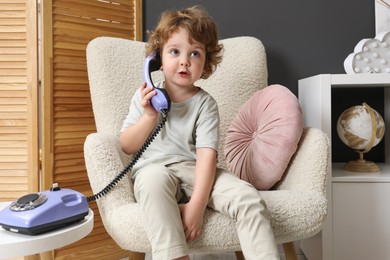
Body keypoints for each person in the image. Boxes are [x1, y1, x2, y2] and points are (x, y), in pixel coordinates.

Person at [120, 5, 279, 260]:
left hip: (192, 170)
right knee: (152, 182)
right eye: (174, 51)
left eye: (195, 53)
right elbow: (126, 145)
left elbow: (207, 157)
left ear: (205, 63)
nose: (185, 61)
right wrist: (149, 116)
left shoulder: (205, 104)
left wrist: (196, 206)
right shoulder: (145, 98)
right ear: (158, 59)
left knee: (247, 197)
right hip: (153, 169)